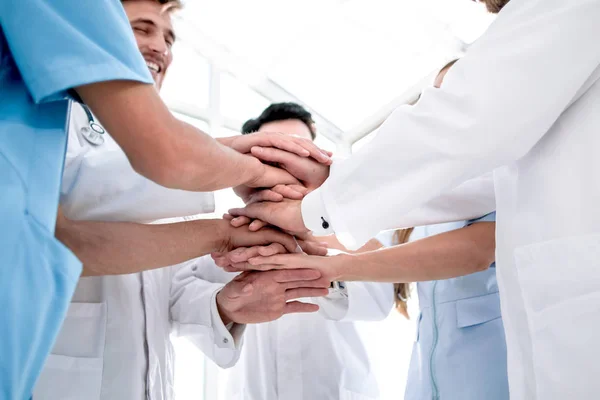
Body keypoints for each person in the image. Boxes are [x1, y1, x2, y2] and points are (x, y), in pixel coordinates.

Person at [227, 0, 600, 398]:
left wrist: (318, 224)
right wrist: (320, 197)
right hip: (435, 367)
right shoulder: (394, 202)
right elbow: (460, 179)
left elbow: (464, 132)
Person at [0, 0, 329, 397]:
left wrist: (224, 305)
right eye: (142, 29)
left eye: (168, 37)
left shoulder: (181, 143)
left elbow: (168, 286)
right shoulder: (43, 115)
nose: (161, 48)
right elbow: (68, 215)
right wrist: (247, 172)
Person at [214, 103, 395, 400]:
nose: (290, 162)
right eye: (275, 151)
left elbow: (379, 302)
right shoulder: (229, 234)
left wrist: (312, 242)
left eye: (300, 150)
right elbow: (201, 318)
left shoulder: (352, 227)